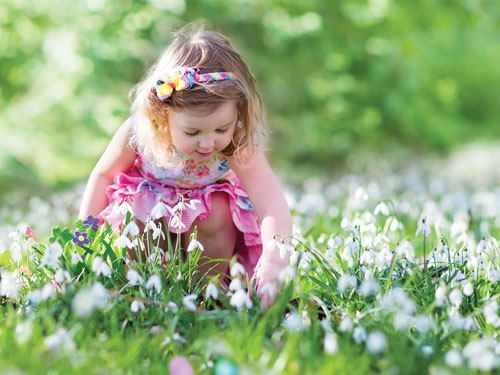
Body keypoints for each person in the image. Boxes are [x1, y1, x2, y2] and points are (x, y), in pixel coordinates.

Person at [78, 25, 292, 305]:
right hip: (152, 228)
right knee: (137, 206)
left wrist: (275, 262)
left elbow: (272, 204)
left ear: (238, 112)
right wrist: (83, 239)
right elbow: (104, 175)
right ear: (162, 115)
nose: (208, 143)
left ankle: (208, 291)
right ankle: (139, 286)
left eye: (221, 128)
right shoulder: (140, 132)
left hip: (204, 235)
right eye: (193, 132)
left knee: (218, 209)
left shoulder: (237, 143)